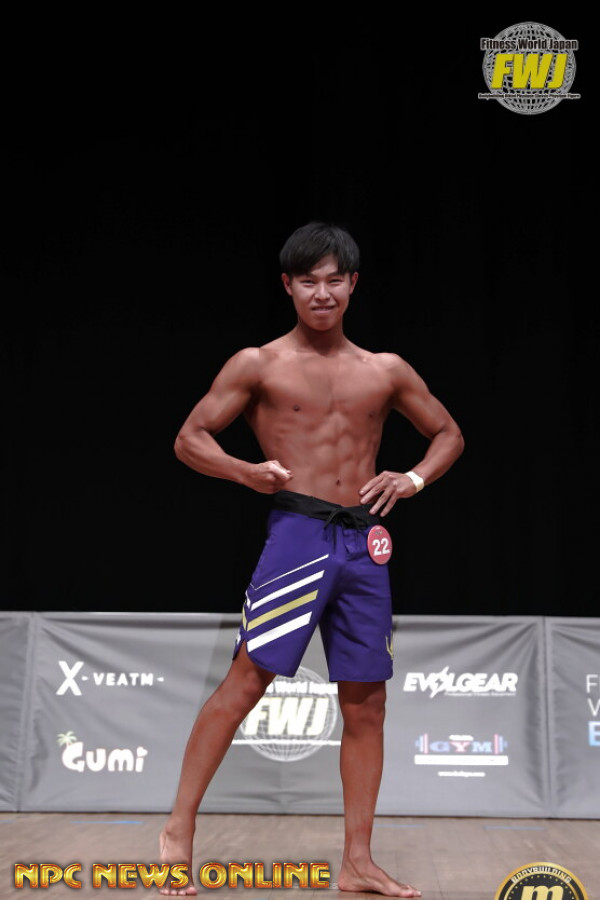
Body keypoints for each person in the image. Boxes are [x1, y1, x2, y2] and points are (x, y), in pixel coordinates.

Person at [159, 222, 464, 897]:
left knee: (367, 701)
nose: (321, 293)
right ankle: (178, 831)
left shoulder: (385, 370)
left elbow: (448, 433)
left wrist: (411, 479)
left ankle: (358, 860)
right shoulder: (258, 364)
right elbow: (189, 438)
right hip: (297, 534)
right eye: (307, 281)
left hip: (364, 542)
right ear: (288, 286)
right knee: (247, 681)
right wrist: (245, 472)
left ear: (353, 284)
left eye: (333, 280)